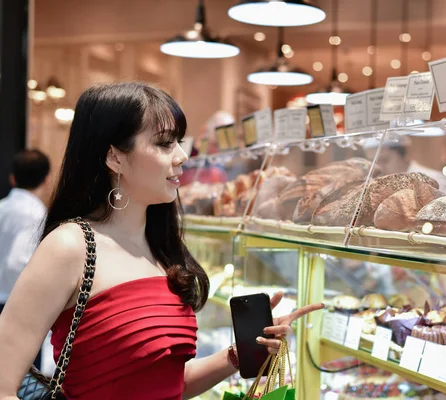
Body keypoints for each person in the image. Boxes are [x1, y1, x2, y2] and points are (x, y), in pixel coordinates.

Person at [0, 82, 323, 400]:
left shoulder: (161, 249)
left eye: (179, 142)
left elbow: (166, 385)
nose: (182, 156)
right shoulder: (70, 246)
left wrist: (241, 352)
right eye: (165, 143)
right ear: (115, 158)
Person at [0, 149, 50, 370]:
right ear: (46, 179)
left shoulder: (2, 207)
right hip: (18, 303)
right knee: (25, 376)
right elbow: (17, 261)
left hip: (3, 299)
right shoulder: (34, 213)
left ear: (13, 177)